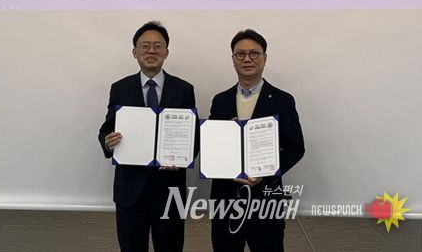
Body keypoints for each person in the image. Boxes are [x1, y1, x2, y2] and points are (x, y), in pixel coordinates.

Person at [98, 21, 197, 252]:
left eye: (157, 46)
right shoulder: (120, 88)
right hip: (130, 192)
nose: (151, 51)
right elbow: (107, 129)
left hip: (169, 191)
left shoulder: (184, 89)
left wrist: (183, 158)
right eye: (145, 46)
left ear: (166, 52)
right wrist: (108, 142)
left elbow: (193, 136)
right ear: (135, 52)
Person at [209, 29, 305, 252]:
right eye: (240, 54)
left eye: (254, 53)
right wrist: (224, 137)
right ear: (233, 59)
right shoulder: (221, 100)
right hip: (226, 197)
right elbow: (212, 147)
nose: (247, 59)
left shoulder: (282, 100)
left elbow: (295, 147)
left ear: (264, 58)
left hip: (265, 198)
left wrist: (265, 173)